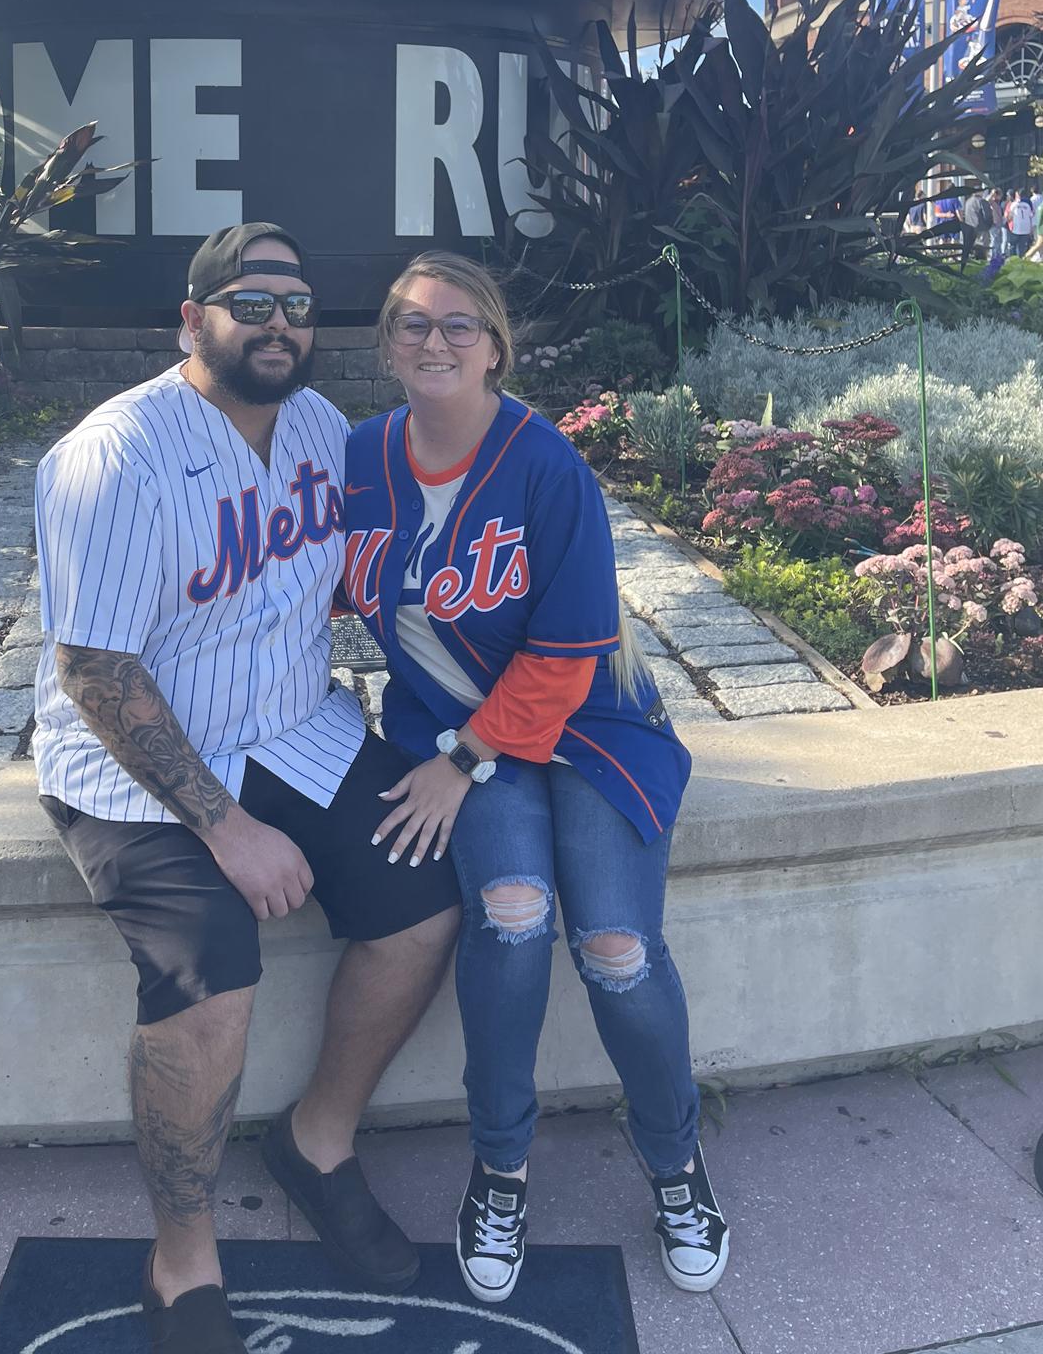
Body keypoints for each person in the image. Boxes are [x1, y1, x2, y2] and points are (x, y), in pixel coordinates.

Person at [33, 222, 461, 1354]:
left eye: (298, 304)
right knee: (212, 983)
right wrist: (223, 825)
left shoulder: (320, 427)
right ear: (193, 318)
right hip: (141, 767)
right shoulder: (114, 453)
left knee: (425, 899)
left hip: (293, 728)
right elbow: (95, 669)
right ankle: (183, 1256)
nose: (279, 323)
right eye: (250, 299)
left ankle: (316, 1140)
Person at [344, 253, 728, 1308]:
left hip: (592, 726)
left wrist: (459, 763)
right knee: (511, 913)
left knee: (613, 945)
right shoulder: (358, 459)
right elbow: (308, 587)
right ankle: (500, 1169)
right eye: (413, 325)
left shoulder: (544, 462)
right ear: (386, 345)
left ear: (498, 346)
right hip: (460, 732)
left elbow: (563, 658)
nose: (435, 343)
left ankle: (675, 1160)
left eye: (459, 326)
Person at [960, 184, 990, 267]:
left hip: (969, 227)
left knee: (972, 247)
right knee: (983, 247)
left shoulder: (968, 201)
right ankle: (982, 264)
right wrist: (988, 225)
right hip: (981, 228)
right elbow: (987, 216)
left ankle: (972, 263)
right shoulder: (982, 201)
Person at [1009, 189, 1035, 257]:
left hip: (1016, 228)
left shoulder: (1014, 204)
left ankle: (1013, 259)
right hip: (1026, 228)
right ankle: (1020, 260)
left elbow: (1010, 216)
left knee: (1013, 246)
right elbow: (1031, 215)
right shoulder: (1028, 204)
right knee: (1022, 247)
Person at [987, 188, 1009, 264]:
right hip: (994, 224)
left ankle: (997, 256)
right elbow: (986, 200)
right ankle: (993, 256)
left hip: (999, 224)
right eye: (999, 195)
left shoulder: (998, 203)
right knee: (994, 240)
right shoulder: (991, 202)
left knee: (998, 241)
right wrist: (992, 193)